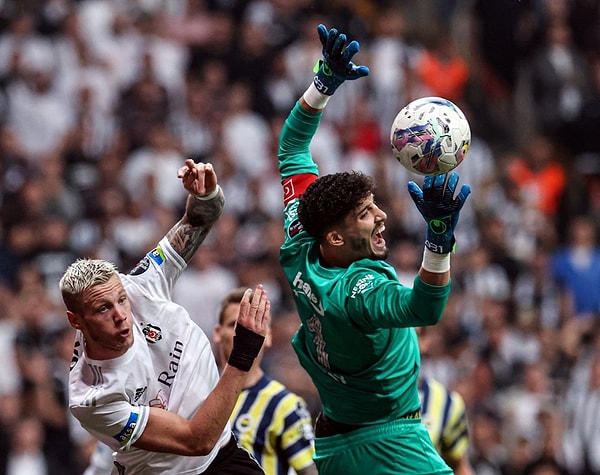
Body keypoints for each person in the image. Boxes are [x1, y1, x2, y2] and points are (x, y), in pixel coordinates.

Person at [276, 24, 471, 475]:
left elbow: (292, 147)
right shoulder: (359, 290)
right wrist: (439, 240)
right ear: (337, 238)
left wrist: (322, 84)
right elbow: (424, 308)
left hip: (334, 449)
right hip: (388, 445)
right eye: (366, 213)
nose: (382, 215)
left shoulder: (301, 239)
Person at [59, 159, 270, 474]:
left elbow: (199, 220)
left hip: (222, 457)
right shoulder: (92, 398)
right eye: (104, 309)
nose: (121, 315)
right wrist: (241, 358)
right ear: (76, 321)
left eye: (121, 300)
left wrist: (206, 196)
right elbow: (195, 440)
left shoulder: (141, 284)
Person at [213, 287, 317, 475]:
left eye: (251, 325)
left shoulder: (284, 405)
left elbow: (310, 471)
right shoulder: (196, 392)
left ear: (267, 335)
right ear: (218, 333)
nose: (241, 332)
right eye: (233, 324)